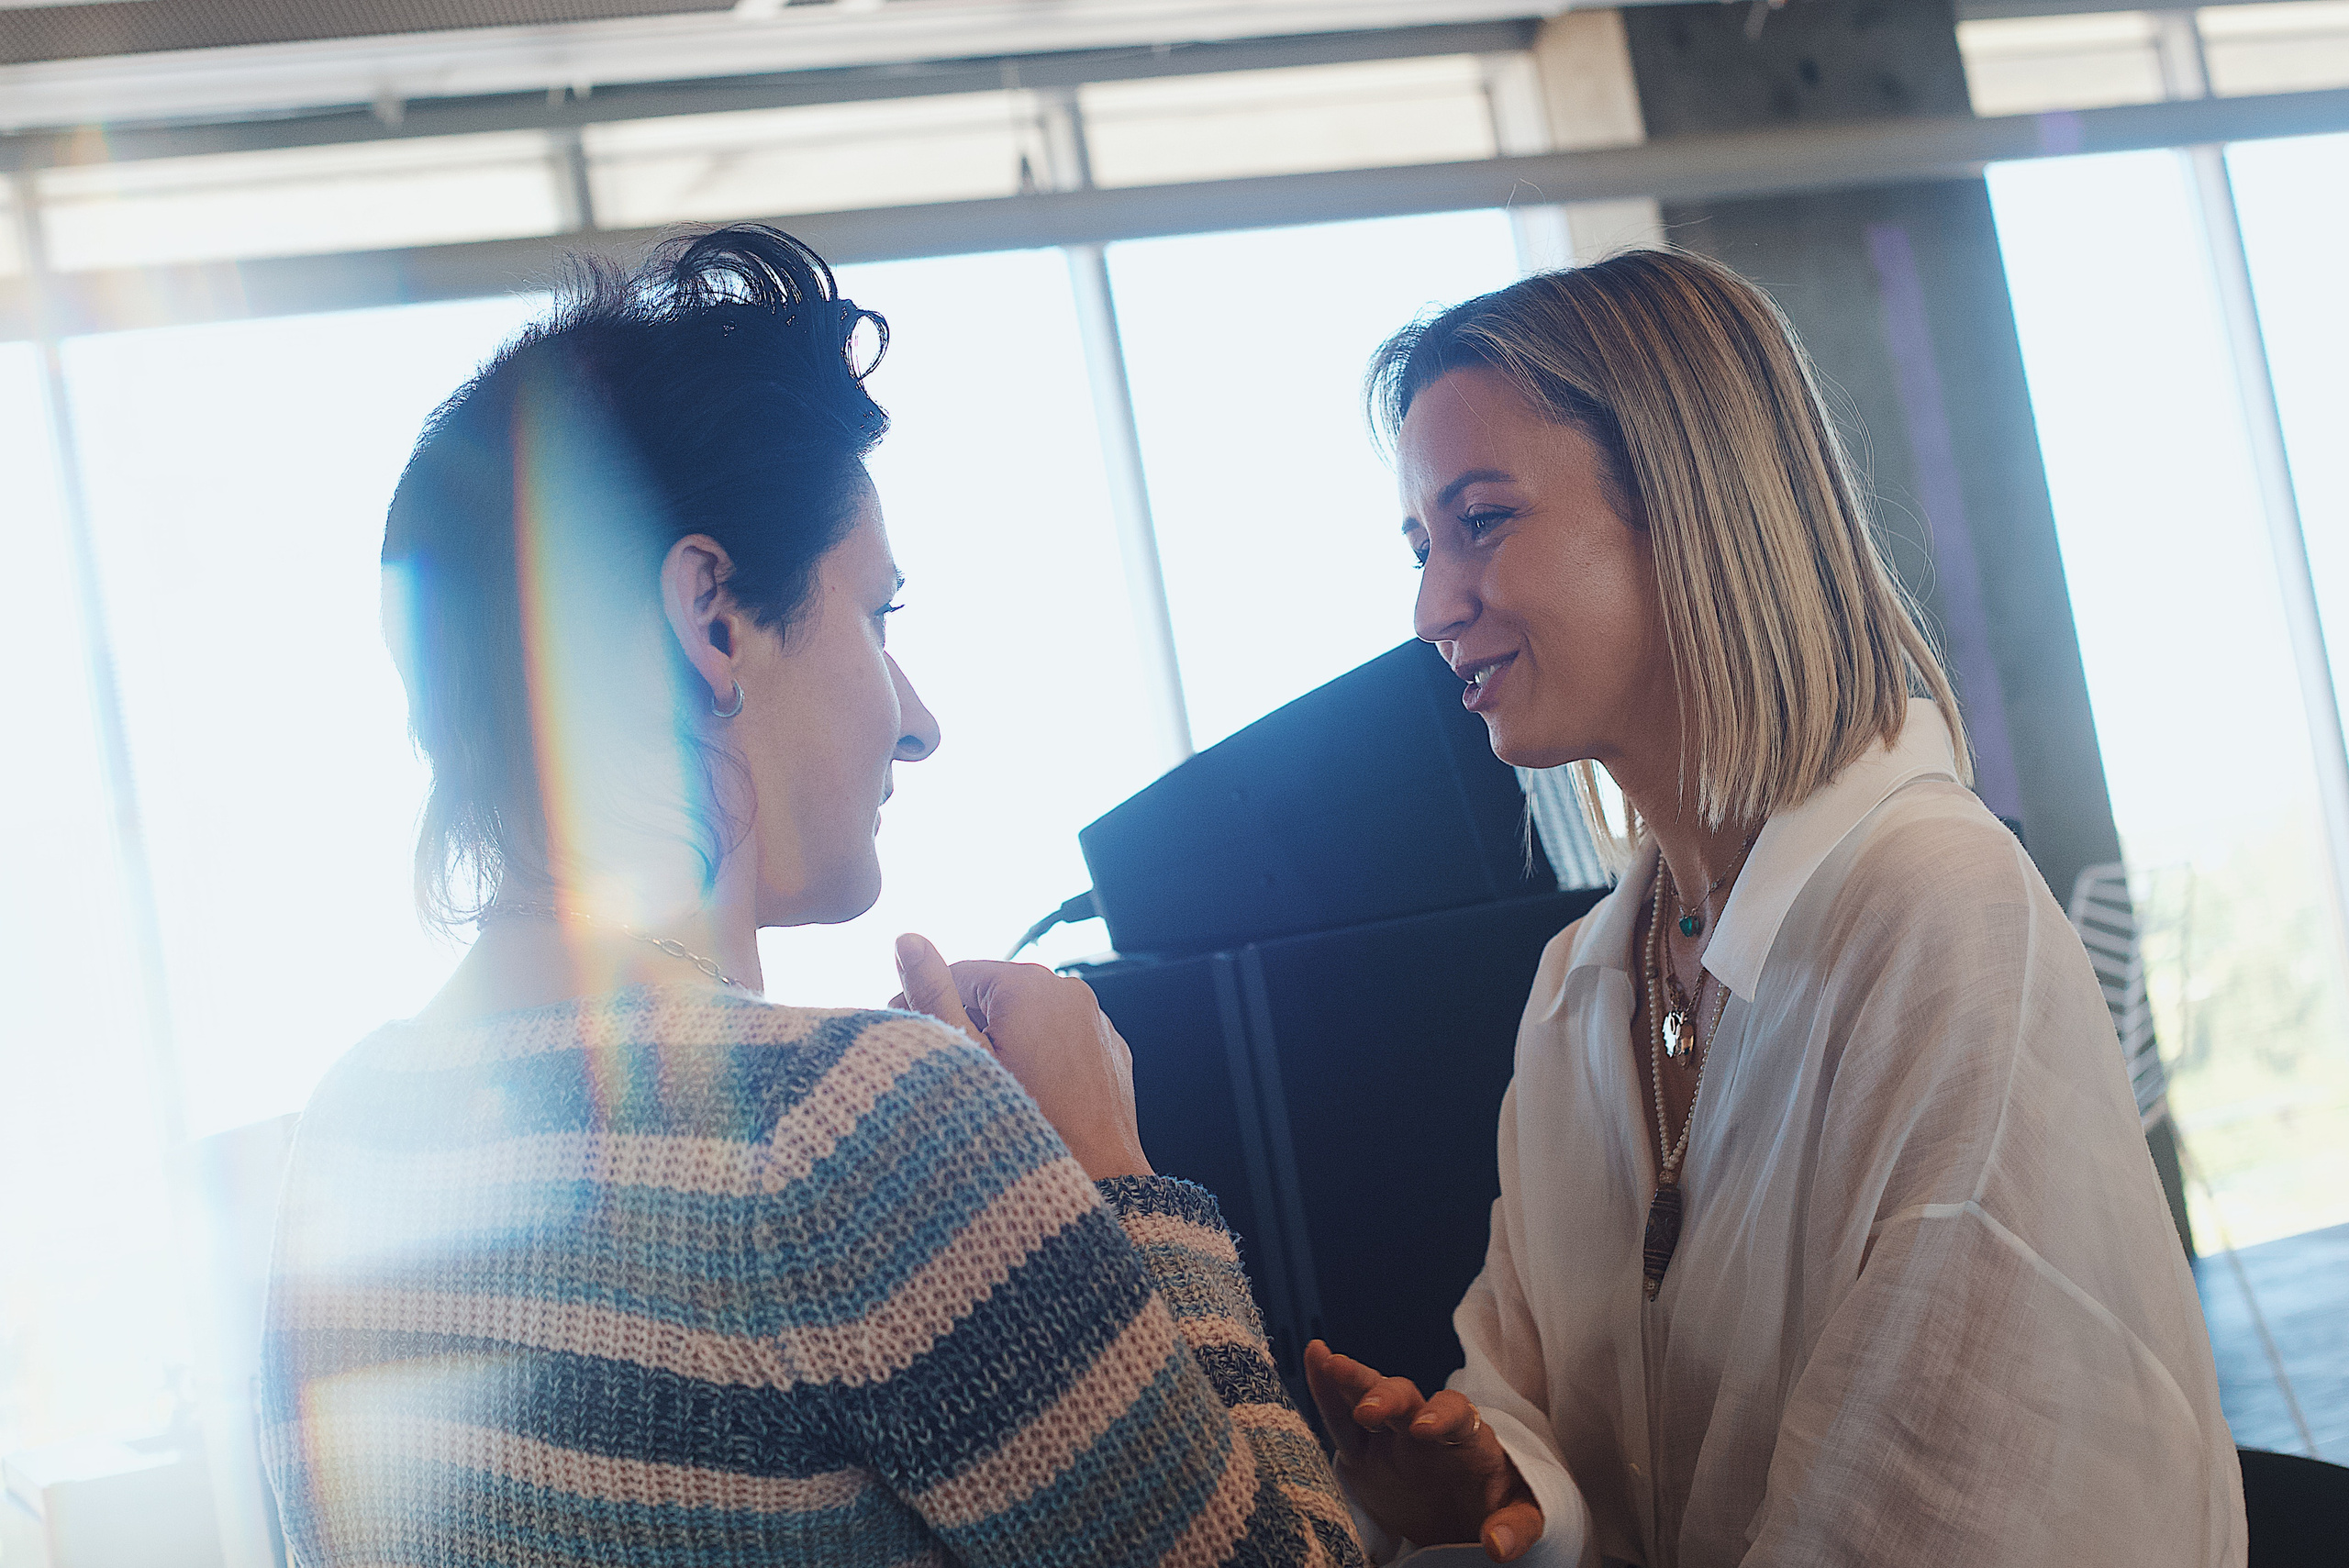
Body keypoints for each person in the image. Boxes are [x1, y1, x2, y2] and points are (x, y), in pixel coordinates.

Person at [261, 225, 1364, 1568]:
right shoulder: (856, 1129)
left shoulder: (341, 1145)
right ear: (713, 616)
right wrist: (1110, 1172)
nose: (917, 722)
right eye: (879, 613)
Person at [1300, 249, 2244, 1567]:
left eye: (1482, 521)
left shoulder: (1938, 914)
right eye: (1420, 544)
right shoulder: (1582, 984)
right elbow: (1526, 1388)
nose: (1429, 605)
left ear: (1682, 504)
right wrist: (1493, 1485)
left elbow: (1945, 1499)